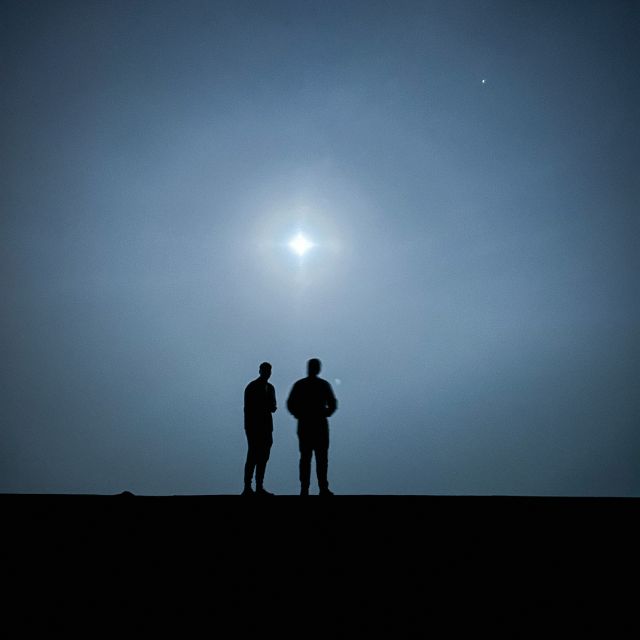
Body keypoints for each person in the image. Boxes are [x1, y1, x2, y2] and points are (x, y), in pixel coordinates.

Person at [287, 358, 337, 496]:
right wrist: (324, 412)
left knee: (309, 458)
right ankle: (317, 488)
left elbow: (290, 403)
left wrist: (299, 414)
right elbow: (332, 403)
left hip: (308, 424)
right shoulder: (321, 385)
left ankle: (310, 488)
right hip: (315, 424)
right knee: (316, 458)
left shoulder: (301, 384)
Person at [243, 362, 277, 496]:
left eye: (269, 370)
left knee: (263, 456)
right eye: (265, 370)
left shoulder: (270, 388)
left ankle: (259, 486)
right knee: (253, 455)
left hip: (267, 426)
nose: (267, 373)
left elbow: (273, 406)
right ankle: (247, 486)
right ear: (260, 371)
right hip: (254, 426)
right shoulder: (252, 387)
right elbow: (249, 408)